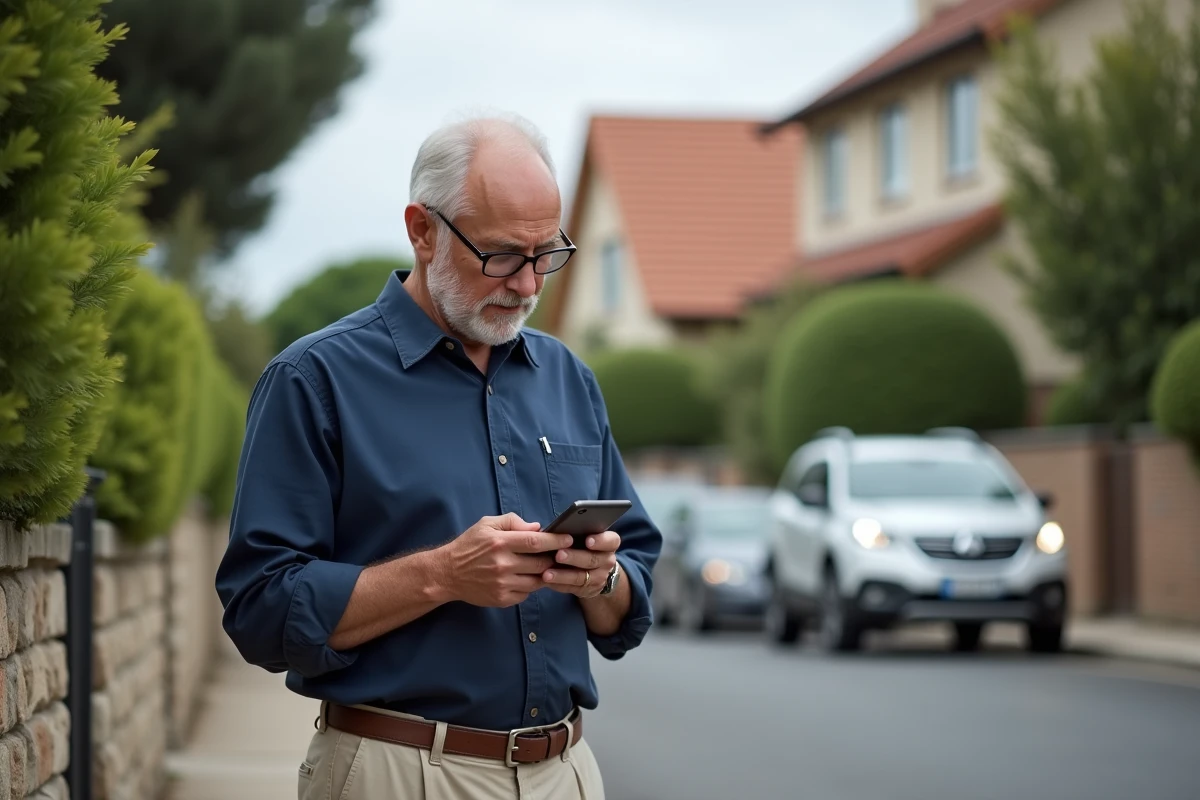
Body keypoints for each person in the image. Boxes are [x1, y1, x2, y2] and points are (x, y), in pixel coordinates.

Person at [215, 113, 661, 800]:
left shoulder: (570, 377)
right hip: (400, 772)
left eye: (548, 254)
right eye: (505, 254)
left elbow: (633, 590)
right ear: (423, 231)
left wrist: (597, 579)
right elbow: (260, 613)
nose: (528, 285)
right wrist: (444, 575)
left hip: (566, 774)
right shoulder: (313, 380)